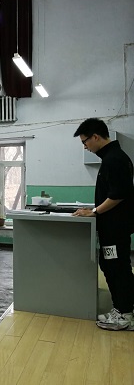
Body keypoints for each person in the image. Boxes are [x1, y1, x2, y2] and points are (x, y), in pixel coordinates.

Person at [72, 118, 134, 331]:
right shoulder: (113, 157)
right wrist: (94, 209)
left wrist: (94, 211)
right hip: (113, 227)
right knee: (112, 266)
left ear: (96, 137)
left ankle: (125, 315)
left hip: (115, 228)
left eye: (85, 142)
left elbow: (118, 195)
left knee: (117, 268)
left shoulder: (114, 159)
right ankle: (123, 309)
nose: (85, 147)